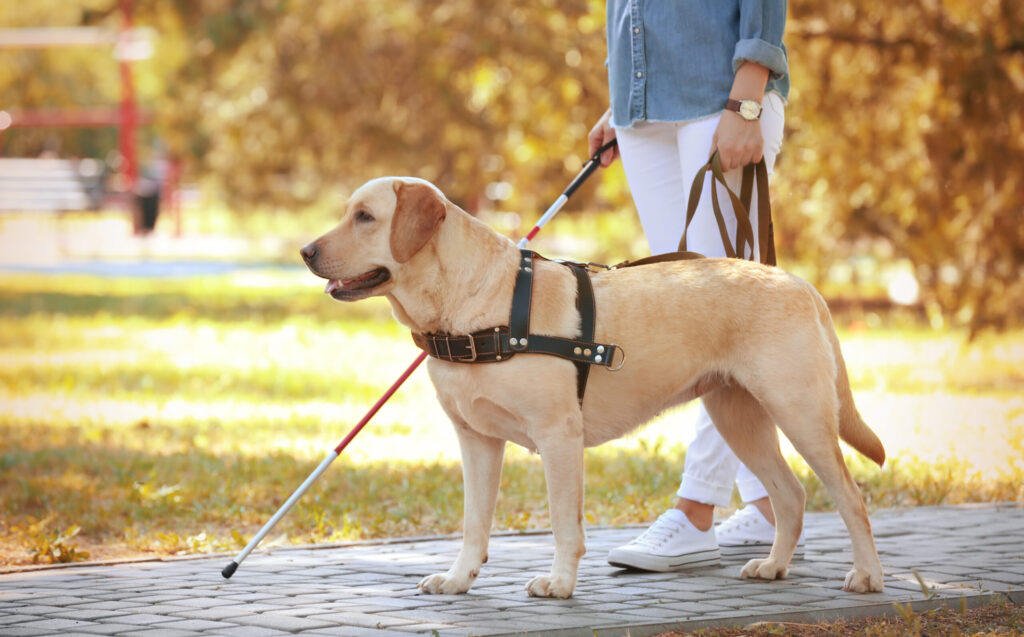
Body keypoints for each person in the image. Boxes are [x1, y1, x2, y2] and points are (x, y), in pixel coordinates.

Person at [587, 1, 801, 571]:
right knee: (686, 316)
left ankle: (696, 508)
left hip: (720, 102)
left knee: (719, 318)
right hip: (644, 114)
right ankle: (765, 505)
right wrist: (628, 96)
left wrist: (747, 101)